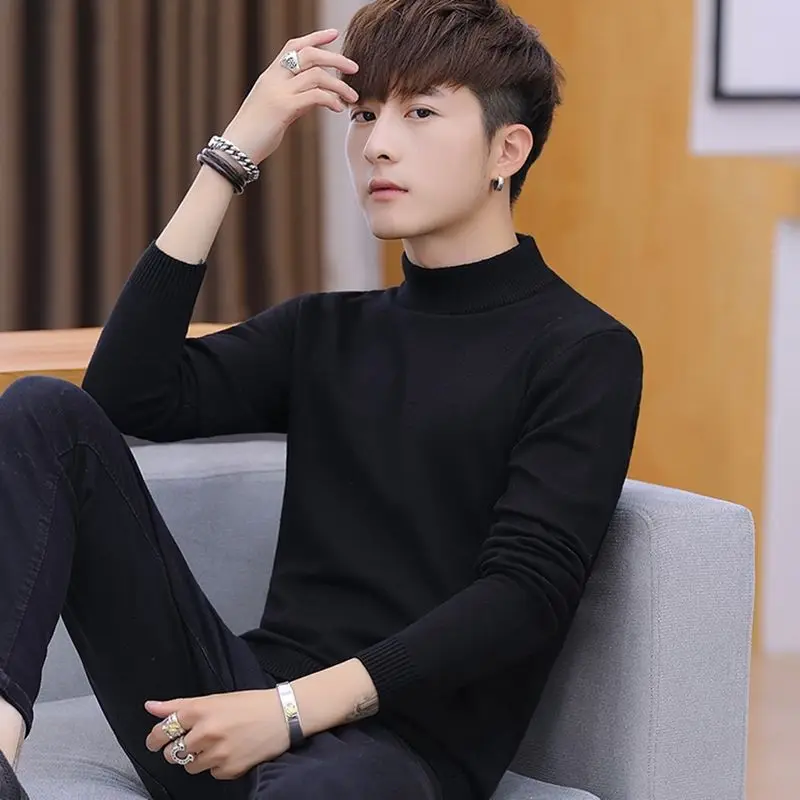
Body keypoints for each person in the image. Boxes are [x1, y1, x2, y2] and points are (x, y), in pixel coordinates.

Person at [0, 1, 643, 798]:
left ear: (506, 150)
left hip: (396, 752)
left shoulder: (584, 350)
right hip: (234, 708)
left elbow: (522, 597)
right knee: (42, 412)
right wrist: (232, 155)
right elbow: (125, 398)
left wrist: (290, 712)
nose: (377, 144)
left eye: (420, 112)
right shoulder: (324, 331)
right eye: (364, 114)